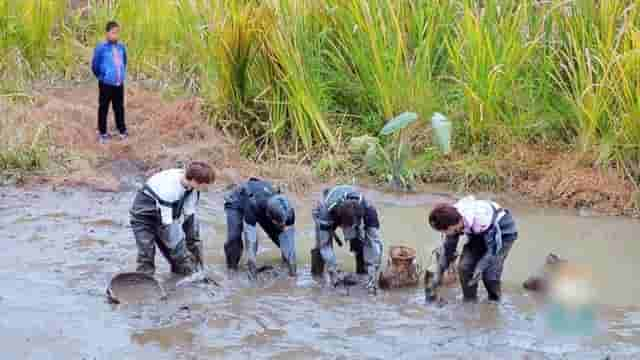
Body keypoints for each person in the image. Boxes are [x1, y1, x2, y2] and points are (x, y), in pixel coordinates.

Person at [130, 162, 215, 275]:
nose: (207, 187)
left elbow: (190, 218)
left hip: (167, 215)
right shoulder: (169, 189)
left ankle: (184, 281)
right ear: (194, 181)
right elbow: (168, 226)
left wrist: (197, 262)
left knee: (177, 260)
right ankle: (145, 285)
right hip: (143, 217)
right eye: (206, 184)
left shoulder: (193, 188)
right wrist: (182, 253)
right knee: (146, 255)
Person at [427, 195, 518, 302]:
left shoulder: (480, 219)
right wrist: (439, 273)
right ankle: (469, 300)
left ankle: (494, 302)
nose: (445, 233)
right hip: (478, 233)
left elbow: (492, 250)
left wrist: (480, 267)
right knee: (464, 267)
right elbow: (448, 249)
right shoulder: (451, 219)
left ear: (456, 223)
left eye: (446, 230)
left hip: (503, 234)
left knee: (490, 274)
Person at [311, 185, 383, 292]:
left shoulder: (369, 211)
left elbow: (374, 244)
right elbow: (325, 246)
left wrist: (372, 274)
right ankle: (317, 277)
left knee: (360, 242)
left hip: (354, 217)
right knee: (321, 246)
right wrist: (334, 271)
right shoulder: (326, 211)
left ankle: (363, 275)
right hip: (329, 212)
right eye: (347, 227)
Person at [224, 178, 297, 279]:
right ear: (269, 216)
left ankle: (287, 266)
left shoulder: (289, 211)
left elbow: (289, 241)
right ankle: (232, 270)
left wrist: (293, 271)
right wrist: (252, 265)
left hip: (265, 204)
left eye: (283, 223)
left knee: (283, 241)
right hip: (238, 201)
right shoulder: (253, 205)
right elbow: (251, 238)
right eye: (279, 223)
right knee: (234, 238)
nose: (283, 227)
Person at [91, 20, 128, 144]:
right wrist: (103, 76)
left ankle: (121, 129)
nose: (115, 35)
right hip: (106, 84)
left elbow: (124, 61)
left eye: (117, 33)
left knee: (119, 107)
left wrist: (120, 74)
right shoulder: (101, 48)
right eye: (113, 33)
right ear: (107, 33)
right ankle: (102, 132)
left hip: (119, 83)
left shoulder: (121, 47)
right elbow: (95, 65)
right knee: (104, 107)